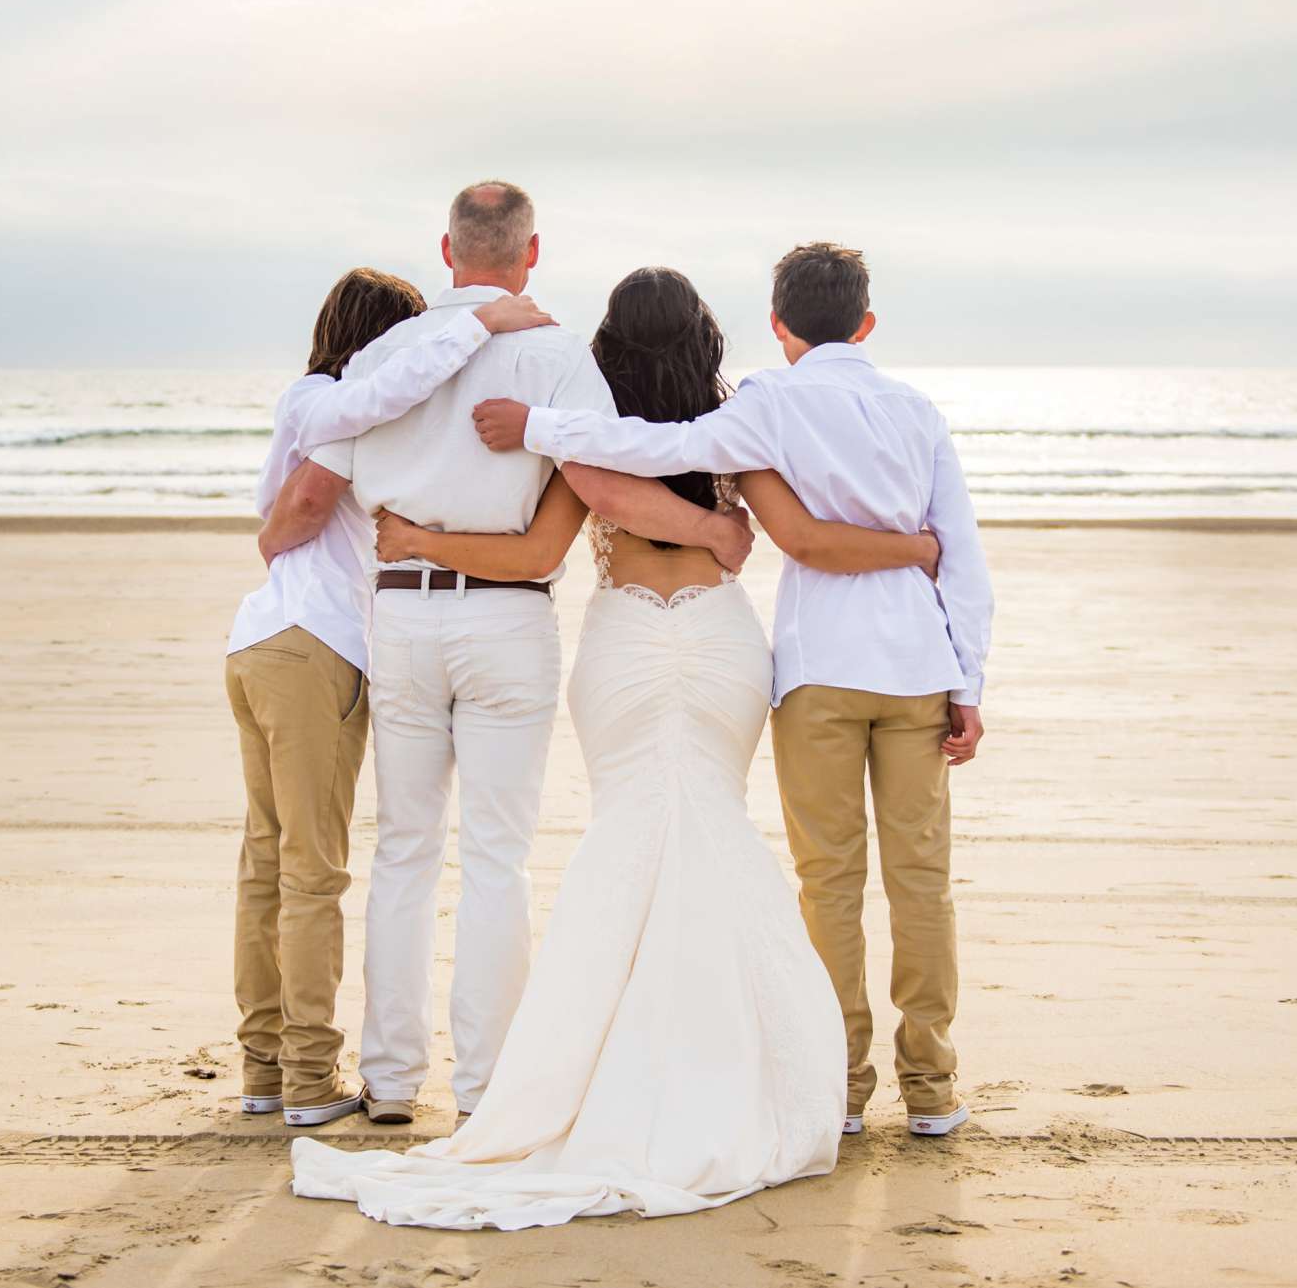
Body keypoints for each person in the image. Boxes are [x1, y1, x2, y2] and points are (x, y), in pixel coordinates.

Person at [289, 265, 943, 1229]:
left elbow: (547, 546)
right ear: (706, 343)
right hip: (721, 643)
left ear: (610, 350)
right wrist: (732, 531)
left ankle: (579, 1065)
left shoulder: (584, 430)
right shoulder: (737, 426)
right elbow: (782, 529)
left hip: (628, 642)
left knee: (631, 833)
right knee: (712, 825)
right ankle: (768, 1063)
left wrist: (420, 534)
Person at [470, 242, 993, 1139]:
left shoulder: (754, 409)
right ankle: (932, 1085)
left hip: (790, 663)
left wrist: (535, 425)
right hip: (869, 660)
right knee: (919, 879)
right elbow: (938, 554)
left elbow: (636, 462)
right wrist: (965, 668)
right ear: (864, 323)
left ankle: (843, 1085)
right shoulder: (891, 410)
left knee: (822, 876)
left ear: (782, 323)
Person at [258, 184, 751, 1125]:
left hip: (400, 616)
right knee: (496, 857)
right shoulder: (559, 354)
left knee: (403, 852)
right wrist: (712, 526)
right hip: (508, 620)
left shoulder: (385, 355)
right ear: (531, 254)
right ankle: (485, 1089)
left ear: (448, 250)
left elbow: (319, 476)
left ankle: (393, 1083)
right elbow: (598, 479)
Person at [226, 268, 554, 1129]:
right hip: (314, 644)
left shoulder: (328, 401)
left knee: (270, 861)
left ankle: (266, 1067)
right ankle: (302, 1077)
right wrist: (478, 322)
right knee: (312, 869)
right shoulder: (335, 401)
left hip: (266, 639)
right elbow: (303, 501)